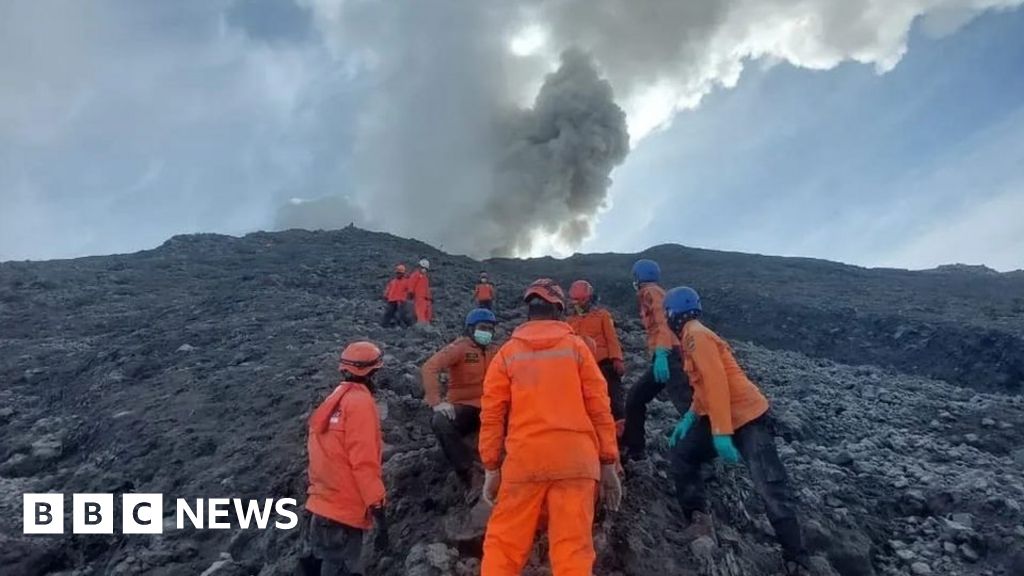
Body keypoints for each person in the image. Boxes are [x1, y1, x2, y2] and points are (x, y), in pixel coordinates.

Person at [663, 287, 812, 574]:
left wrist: (721, 432)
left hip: (748, 417)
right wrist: (691, 417)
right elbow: (703, 387)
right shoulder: (692, 336)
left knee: (769, 485)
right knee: (683, 454)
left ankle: (797, 557)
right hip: (723, 415)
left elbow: (717, 382)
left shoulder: (695, 335)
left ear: (672, 313)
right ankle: (699, 522)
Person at [479, 278, 622, 576]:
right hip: (576, 461)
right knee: (573, 550)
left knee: (503, 547)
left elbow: (492, 415)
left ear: (528, 311)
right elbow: (599, 407)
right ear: (559, 309)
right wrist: (609, 462)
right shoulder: (578, 349)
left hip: (524, 461)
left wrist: (491, 467)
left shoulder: (506, 354)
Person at [306, 341, 389, 576]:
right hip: (344, 514)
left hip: (321, 507)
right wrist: (378, 508)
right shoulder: (360, 404)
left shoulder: (334, 400)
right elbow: (363, 463)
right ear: (373, 372)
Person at [421, 308, 499, 495]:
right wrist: (436, 402)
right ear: (470, 329)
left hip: (491, 408)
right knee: (440, 421)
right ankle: (468, 473)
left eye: (490, 329)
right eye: (482, 328)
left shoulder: (496, 351)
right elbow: (429, 367)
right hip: (466, 407)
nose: (487, 332)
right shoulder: (460, 348)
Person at [622, 259, 690, 461]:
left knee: (687, 406)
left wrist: (661, 352)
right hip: (665, 356)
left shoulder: (651, 292)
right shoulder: (652, 292)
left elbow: (663, 322)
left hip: (669, 356)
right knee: (635, 398)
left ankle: (702, 453)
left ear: (638, 277)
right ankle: (635, 449)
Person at [567, 279, 627, 435]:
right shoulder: (570, 322)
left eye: (582, 300)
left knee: (613, 397)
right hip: (581, 367)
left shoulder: (602, 316)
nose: (578, 304)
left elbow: (611, 338)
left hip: (603, 363)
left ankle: (621, 431)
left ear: (589, 298)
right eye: (576, 300)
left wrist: (617, 359)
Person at [407, 259, 433, 324]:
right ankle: (421, 325)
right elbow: (411, 284)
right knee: (420, 313)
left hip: (426, 299)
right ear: (419, 267)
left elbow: (427, 288)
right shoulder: (415, 275)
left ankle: (427, 325)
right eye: (423, 268)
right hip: (419, 297)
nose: (424, 270)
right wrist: (410, 292)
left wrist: (429, 297)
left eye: (426, 269)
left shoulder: (425, 277)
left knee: (428, 313)